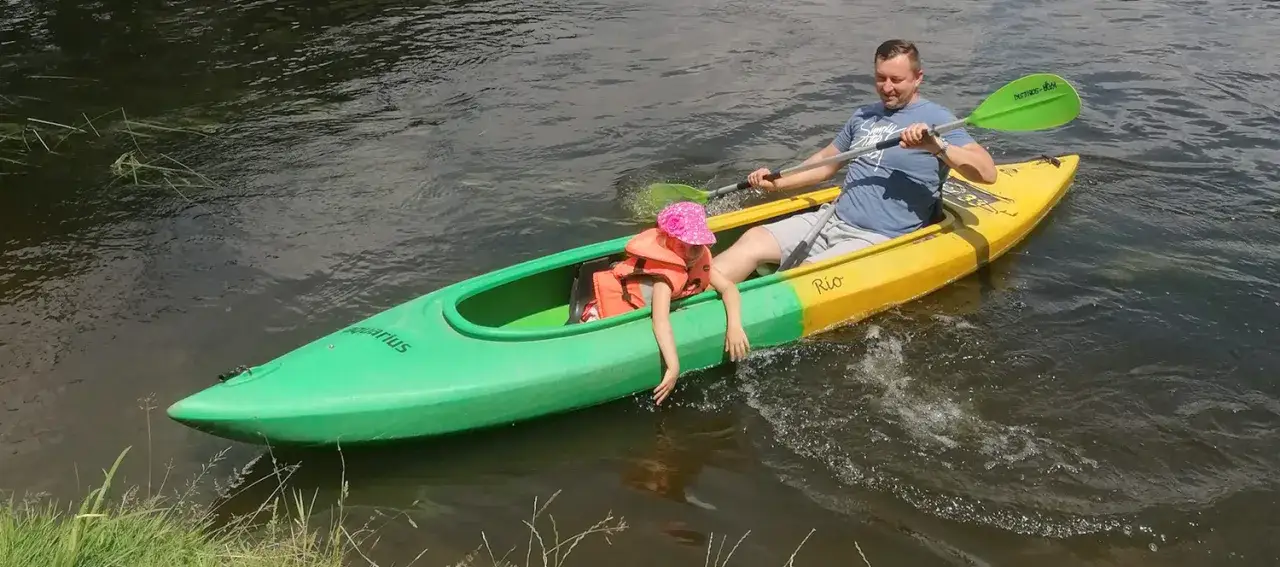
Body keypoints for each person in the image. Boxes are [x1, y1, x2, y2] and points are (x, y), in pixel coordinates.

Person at [711, 39, 998, 283]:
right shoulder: (863, 115)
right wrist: (776, 182)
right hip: (833, 219)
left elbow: (987, 173)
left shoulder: (937, 119)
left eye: (896, 80)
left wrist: (937, 146)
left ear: (918, 77)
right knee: (753, 240)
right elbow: (826, 162)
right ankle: (691, 297)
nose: (887, 87)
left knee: (804, 277)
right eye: (880, 78)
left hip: (879, 238)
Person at [580, 201, 751, 405]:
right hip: (601, 315)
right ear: (667, 240)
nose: (690, 254)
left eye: (696, 246)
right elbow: (660, 321)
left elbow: (729, 289)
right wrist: (673, 366)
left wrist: (734, 326)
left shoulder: (697, 259)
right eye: (681, 245)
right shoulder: (664, 278)